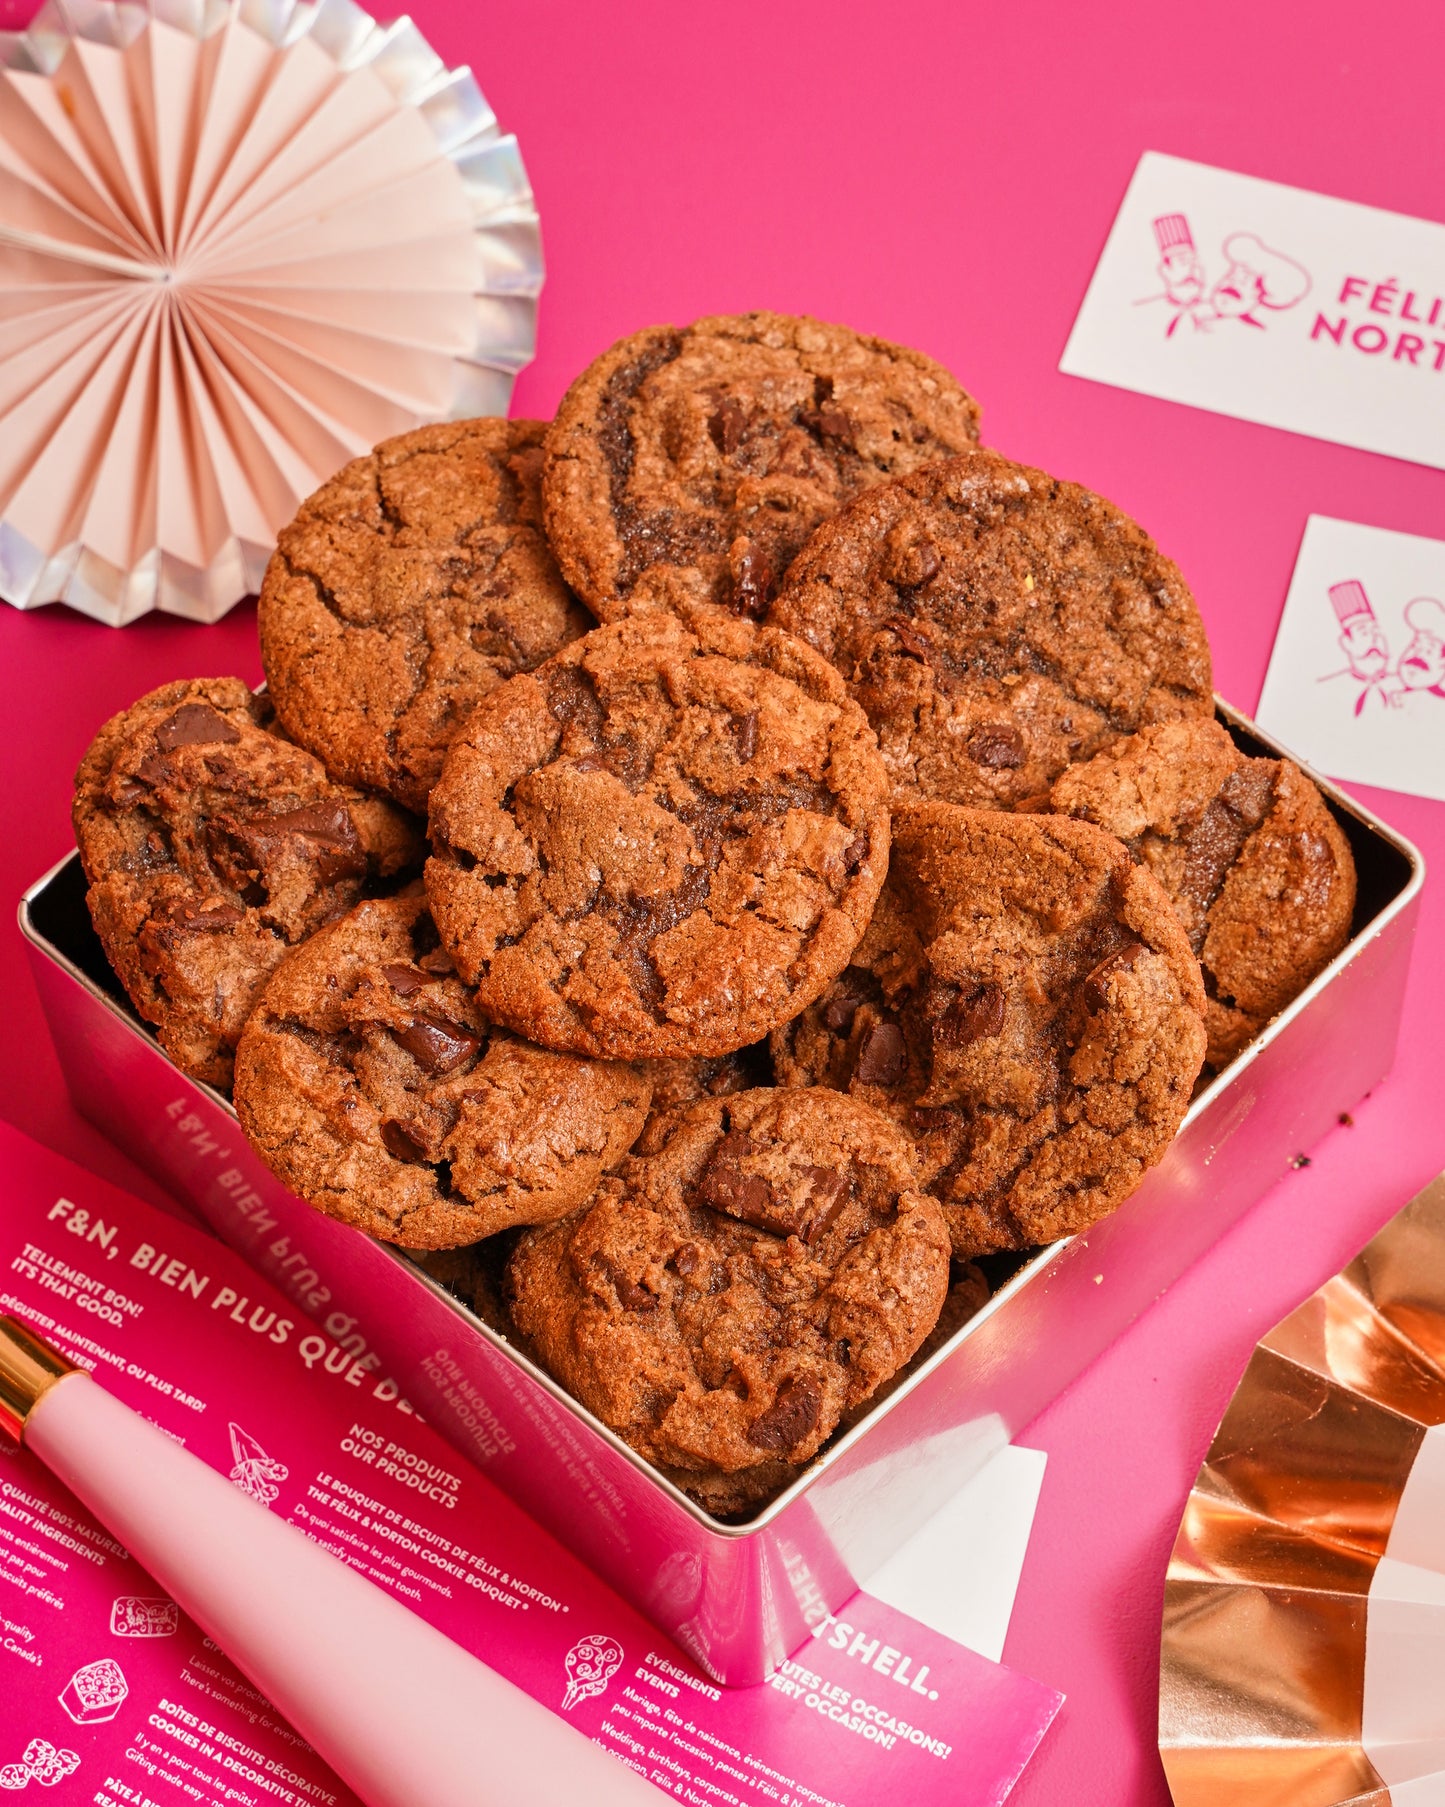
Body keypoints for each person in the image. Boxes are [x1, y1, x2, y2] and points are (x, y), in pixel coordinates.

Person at [1209, 232, 1311, 327]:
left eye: (1222, 289)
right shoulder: (1283, 283)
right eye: (1237, 294)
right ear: (1255, 297)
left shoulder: (1238, 249)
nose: (1234, 281)